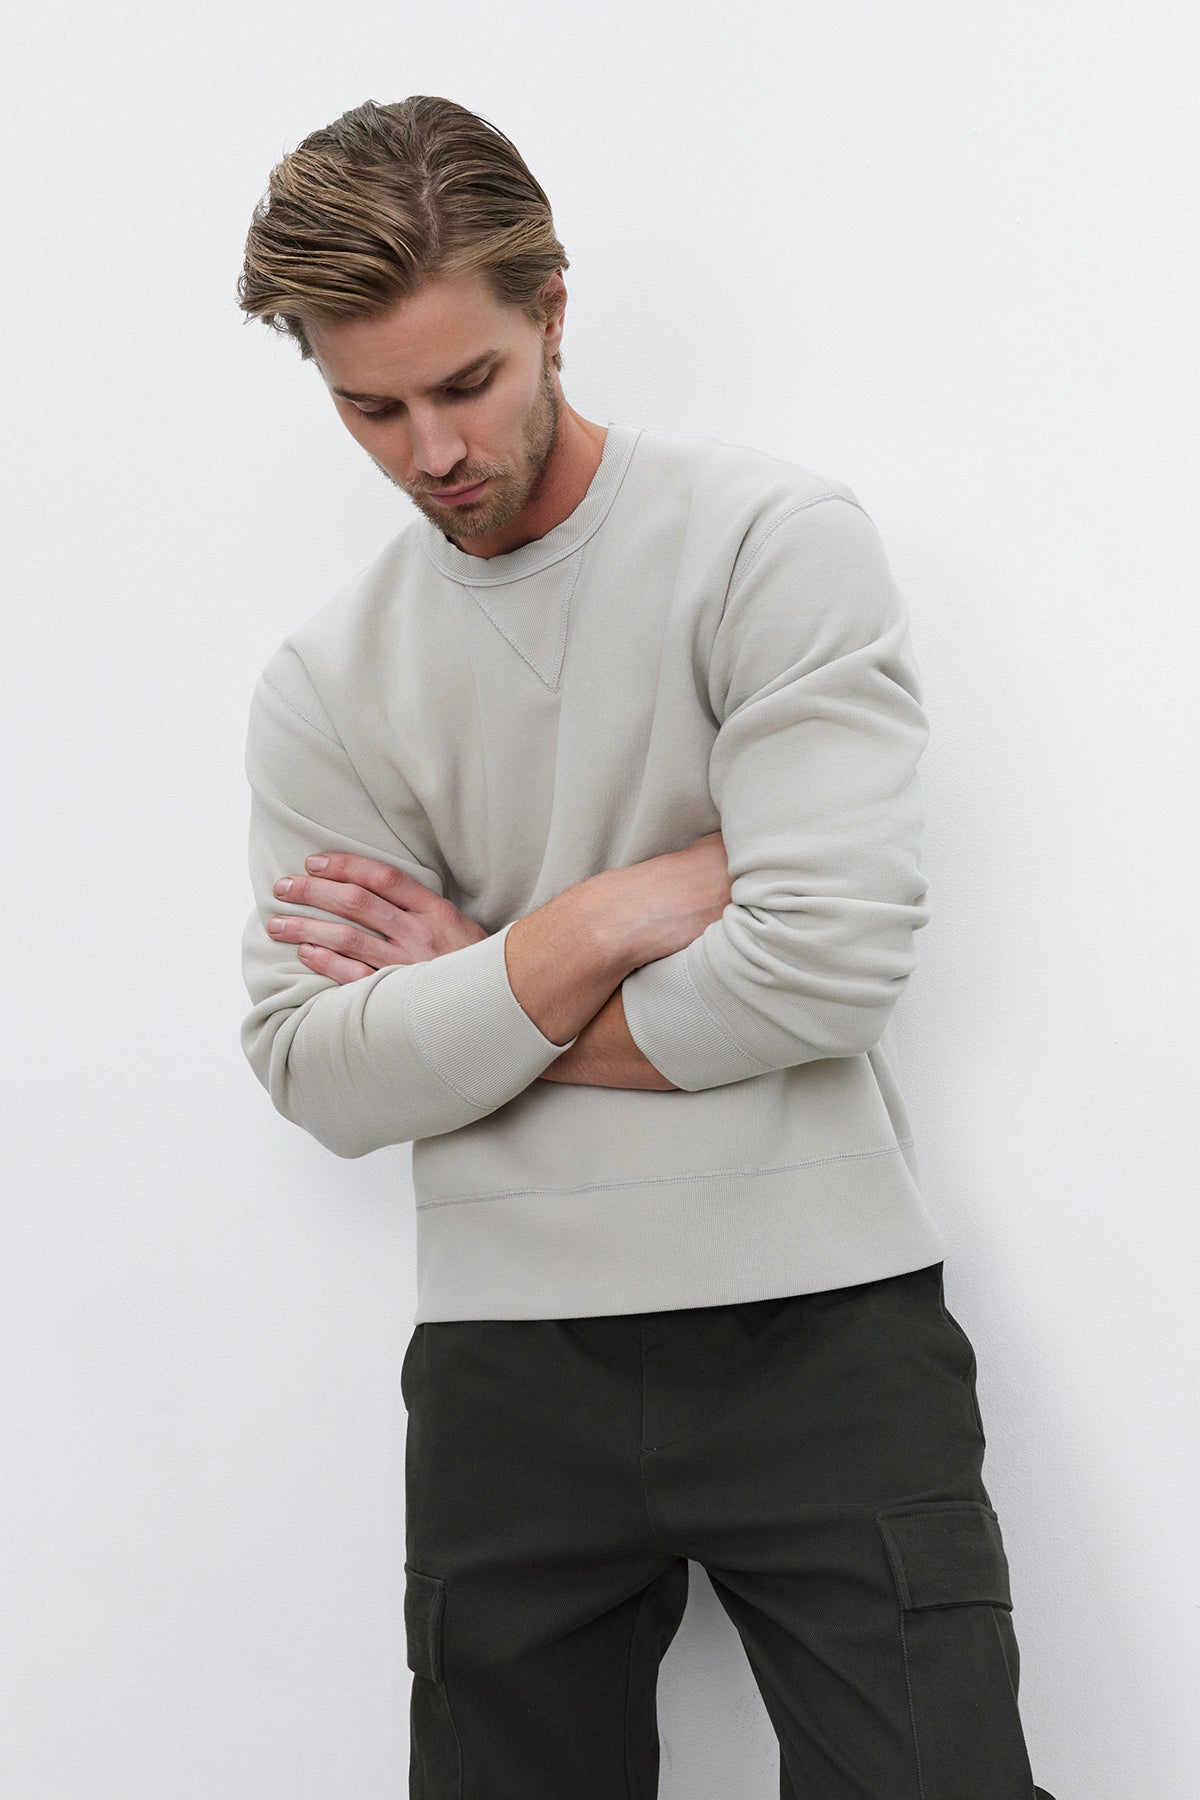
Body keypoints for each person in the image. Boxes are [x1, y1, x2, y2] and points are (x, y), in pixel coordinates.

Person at [236, 95, 1057, 1800]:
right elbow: (318, 1070)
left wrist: (468, 991)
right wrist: (597, 921)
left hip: (826, 1330)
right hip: (503, 1376)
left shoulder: (770, 545)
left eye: (465, 385)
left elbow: (822, 968)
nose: (429, 453)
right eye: (368, 409)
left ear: (550, 313)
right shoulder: (328, 682)